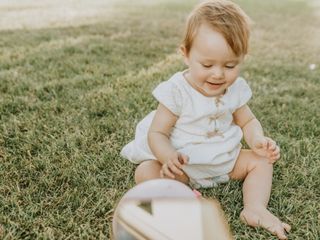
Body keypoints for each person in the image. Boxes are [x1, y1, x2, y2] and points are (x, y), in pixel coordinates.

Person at [120, 0, 291, 239]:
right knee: (146, 171)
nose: (218, 74)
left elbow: (247, 121)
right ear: (185, 54)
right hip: (185, 168)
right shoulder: (177, 90)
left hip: (227, 161)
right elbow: (157, 133)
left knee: (262, 162)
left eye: (230, 65)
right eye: (207, 64)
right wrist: (168, 157)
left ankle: (255, 208)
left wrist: (257, 140)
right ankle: (184, 200)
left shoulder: (235, 89)